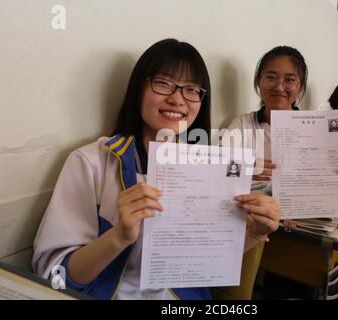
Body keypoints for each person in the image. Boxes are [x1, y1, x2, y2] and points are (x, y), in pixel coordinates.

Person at [32, 39, 280, 300]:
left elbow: (206, 259)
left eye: (192, 89)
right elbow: (54, 276)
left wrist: (257, 231)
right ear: (139, 88)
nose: (177, 99)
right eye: (163, 83)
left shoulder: (211, 168)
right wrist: (119, 236)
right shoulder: (92, 162)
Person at [226, 46, 338, 191]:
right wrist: (240, 169)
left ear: (300, 87)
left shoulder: (320, 129)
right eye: (271, 77)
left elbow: (337, 177)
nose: (279, 87)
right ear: (259, 81)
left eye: (290, 80)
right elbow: (220, 171)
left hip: (303, 215)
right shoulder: (241, 125)